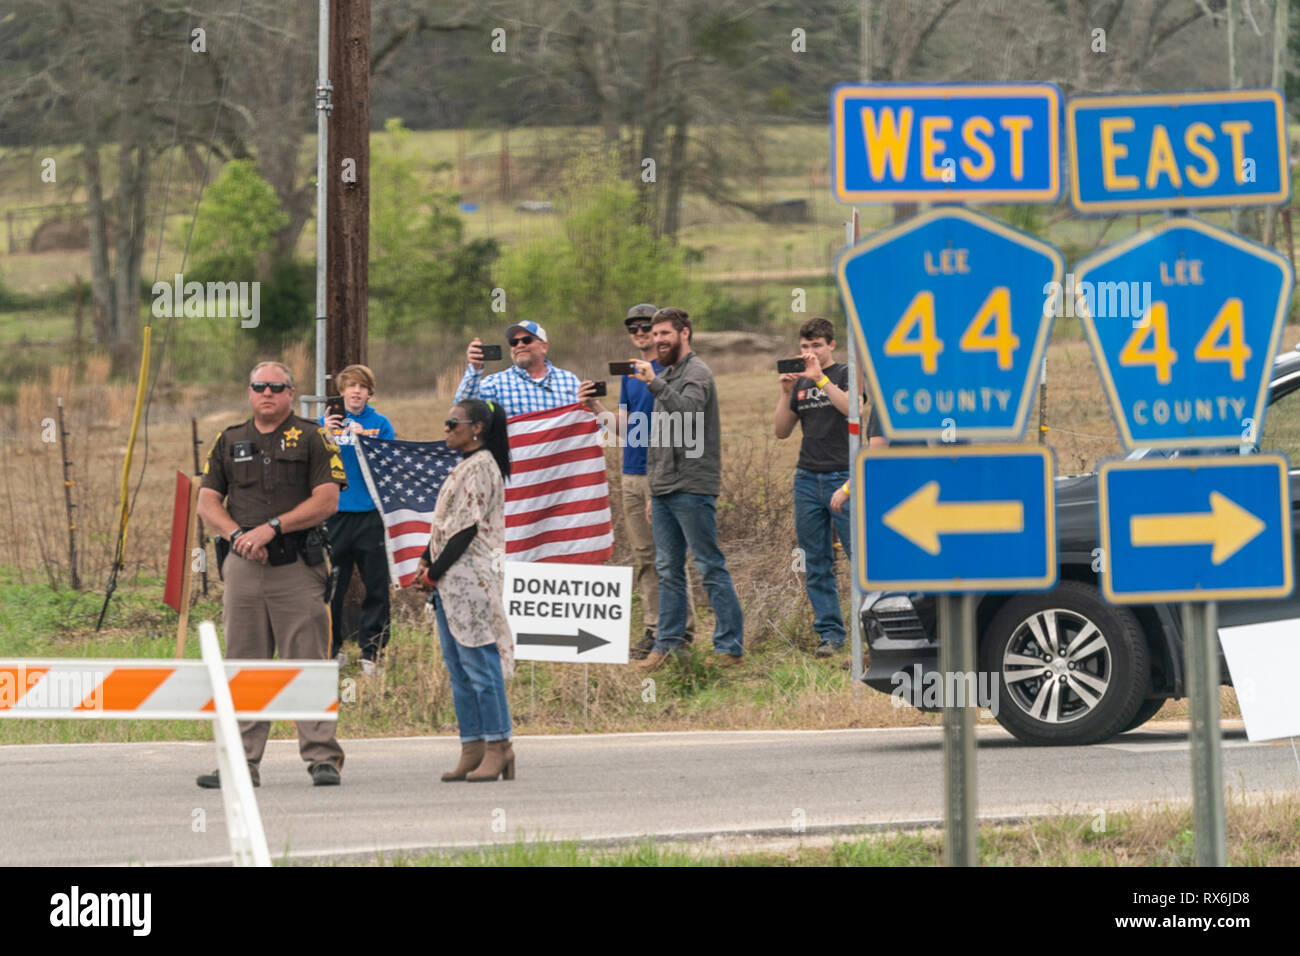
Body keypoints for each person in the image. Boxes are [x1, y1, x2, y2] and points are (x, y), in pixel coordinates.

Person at [195, 361, 348, 788]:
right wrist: (238, 534)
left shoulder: (315, 437)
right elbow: (207, 501)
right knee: (244, 664)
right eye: (259, 386)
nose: (267, 393)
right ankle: (242, 761)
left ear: (290, 393)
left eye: (276, 387)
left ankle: (322, 757)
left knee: (307, 662)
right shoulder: (230, 439)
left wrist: (273, 527)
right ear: (249, 392)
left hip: (297, 565)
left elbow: (327, 500)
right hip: (244, 566)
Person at [582, 303, 696, 659]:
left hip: (662, 472)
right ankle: (654, 628)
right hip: (631, 472)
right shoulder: (629, 374)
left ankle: (683, 633)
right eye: (633, 328)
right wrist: (598, 412)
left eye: (647, 327)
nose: (640, 333)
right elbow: (625, 427)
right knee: (645, 557)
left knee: (670, 557)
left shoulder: (674, 369)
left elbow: (687, 429)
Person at [634, 307, 745, 672]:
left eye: (665, 333)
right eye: (655, 334)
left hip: (693, 487)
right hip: (665, 488)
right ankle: (668, 647)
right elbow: (661, 437)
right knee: (668, 569)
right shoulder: (668, 374)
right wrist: (653, 489)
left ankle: (729, 646)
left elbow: (688, 415)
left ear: (685, 333)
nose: (658, 340)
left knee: (709, 565)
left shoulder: (696, 373)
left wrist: (654, 383)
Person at [414, 399, 516, 783]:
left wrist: (433, 573)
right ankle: (471, 745)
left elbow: (465, 531)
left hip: (471, 580)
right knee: (458, 669)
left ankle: (499, 745)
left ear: (476, 428)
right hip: (449, 584)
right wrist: (427, 560)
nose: (445, 428)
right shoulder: (464, 466)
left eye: (452, 423)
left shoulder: (482, 467)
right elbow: (444, 526)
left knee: (480, 665)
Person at [773, 316, 862, 658]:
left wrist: (820, 378)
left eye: (817, 346)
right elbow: (781, 431)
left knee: (859, 558)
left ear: (831, 346)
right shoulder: (798, 383)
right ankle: (831, 634)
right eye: (805, 347)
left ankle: (872, 630)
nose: (810, 352)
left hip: (844, 475)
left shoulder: (844, 374)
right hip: (807, 477)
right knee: (816, 560)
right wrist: (785, 393)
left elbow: (853, 411)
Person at [320, 363, 395, 675]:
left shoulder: (380, 423)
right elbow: (314, 462)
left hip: (370, 515)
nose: (356, 391)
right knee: (331, 585)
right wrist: (325, 431)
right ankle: (331, 648)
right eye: (350, 386)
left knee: (376, 585)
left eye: (362, 387)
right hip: (335, 515)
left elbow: (390, 464)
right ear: (341, 392)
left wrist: (368, 442)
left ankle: (372, 652)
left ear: (369, 392)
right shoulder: (326, 423)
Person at [456, 320, 588, 418]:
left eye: (526, 340)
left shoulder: (569, 380)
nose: (519, 345)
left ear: (544, 347)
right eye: (513, 342)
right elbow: (462, 410)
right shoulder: (495, 384)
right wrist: (474, 369)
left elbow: (588, 424)